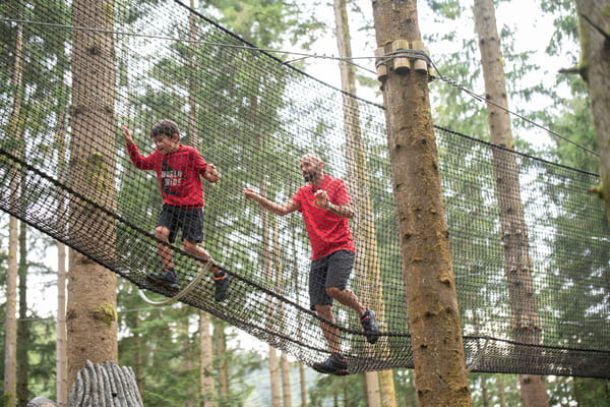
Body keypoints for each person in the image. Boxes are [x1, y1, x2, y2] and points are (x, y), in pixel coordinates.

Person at [243, 153, 379, 375]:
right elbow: (282, 210)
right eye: (301, 166)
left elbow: (350, 212)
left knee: (333, 288)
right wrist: (257, 197)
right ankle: (337, 356)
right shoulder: (303, 193)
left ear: (320, 165)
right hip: (319, 255)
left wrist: (329, 206)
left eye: (307, 164)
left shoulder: (335, 184)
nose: (304, 168)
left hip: (341, 248)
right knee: (320, 305)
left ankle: (364, 313)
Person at [121, 120, 230, 301]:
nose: (157, 145)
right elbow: (140, 163)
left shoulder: (189, 153)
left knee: (189, 247)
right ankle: (170, 274)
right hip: (171, 206)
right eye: (155, 142)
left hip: (191, 207)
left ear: (175, 138)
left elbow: (208, 174)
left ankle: (219, 273)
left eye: (161, 140)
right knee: (160, 231)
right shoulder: (158, 156)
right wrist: (130, 143)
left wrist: (214, 174)